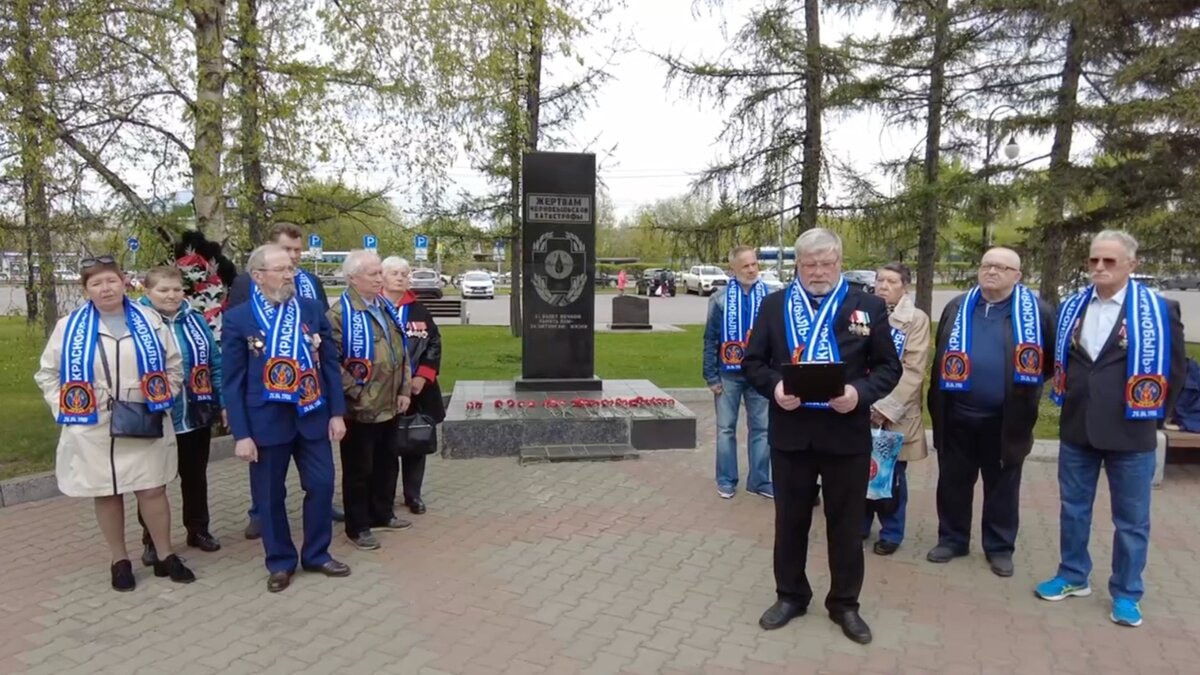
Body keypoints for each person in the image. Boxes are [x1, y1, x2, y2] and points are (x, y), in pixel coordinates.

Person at [743, 228, 901, 645]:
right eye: (809, 264)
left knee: (846, 526)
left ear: (839, 262)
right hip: (791, 436)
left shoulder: (866, 306)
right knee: (789, 522)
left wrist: (859, 393)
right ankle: (790, 595)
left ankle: (845, 604)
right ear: (798, 265)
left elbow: (889, 367)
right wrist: (775, 388)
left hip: (845, 436)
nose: (818, 272)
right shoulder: (776, 306)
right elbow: (753, 362)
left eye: (826, 263)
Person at [1035, 230, 1186, 628]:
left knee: (1132, 520)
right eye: (1093, 260)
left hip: (1131, 432)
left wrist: (1153, 416)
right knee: (1073, 509)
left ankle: (1127, 592)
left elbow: (1176, 370)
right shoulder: (1072, 307)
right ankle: (1072, 575)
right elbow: (1059, 360)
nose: (1099, 268)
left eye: (1110, 261)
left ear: (1131, 265)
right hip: (1078, 427)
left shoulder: (1159, 309)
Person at [35, 255, 194, 591]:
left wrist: (162, 393)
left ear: (124, 282)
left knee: (152, 488)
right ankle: (119, 560)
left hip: (144, 415)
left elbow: (174, 365)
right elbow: (48, 373)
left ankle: (165, 555)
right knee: (106, 492)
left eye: (111, 280)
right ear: (86, 290)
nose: (105, 288)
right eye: (96, 283)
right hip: (94, 425)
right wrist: (66, 404)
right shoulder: (69, 327)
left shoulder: (150, 321)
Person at [222, 244, 351, 592]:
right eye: (280, 269)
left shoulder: (309, 309)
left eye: (290, 268)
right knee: (269, 496)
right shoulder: (239, 318)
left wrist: (337, 412)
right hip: (265, 421)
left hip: (312, 415)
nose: (289, 274)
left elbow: (329, 366)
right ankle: (280, 562)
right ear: (258, 276)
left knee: (322, 485)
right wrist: (241, 435)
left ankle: (317, 553)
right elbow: (231, 382)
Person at [927, 248, 1055, 577]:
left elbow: (1048, 361)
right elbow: (941, 351)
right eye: (987, 265)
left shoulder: (1036, 312)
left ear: (1018, 275)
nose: (992, 272)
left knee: (1002, 485)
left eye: (1002, 267)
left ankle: (999, 546)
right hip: (956, 413)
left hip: (1005, 419)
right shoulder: (959, 306)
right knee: (953, 481)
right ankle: (952, 538)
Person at [136, 267, 225, 566]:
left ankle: (198, 530)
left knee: (195, 477)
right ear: (148, 292)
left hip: (195, 413)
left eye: (176, 289)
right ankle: (152, 539)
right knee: (153, 484)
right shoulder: (136, 323)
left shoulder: (196, 320)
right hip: (156, 416)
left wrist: (222, 402)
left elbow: (215, 363)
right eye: (163, 290)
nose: (171, 295)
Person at [327, 251, 413, 551]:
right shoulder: (339, 314)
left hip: (390, 402)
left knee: (387, 463)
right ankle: (358, 526)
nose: (380, 279)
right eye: (374, 274)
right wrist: (358, 392)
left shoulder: (384, 306)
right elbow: (331, 363)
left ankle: (382, 512)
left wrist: (404, 390)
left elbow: (401, 350)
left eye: (380, 273)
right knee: (359, 469)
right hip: (360, 408)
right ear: (353, 278)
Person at [861, 262, 930, 555]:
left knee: (892, 475)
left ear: (905, 286)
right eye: (879, 280)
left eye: (890, 281)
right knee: (860, 469)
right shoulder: (862, 313)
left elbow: (914, 370)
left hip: (896, 413)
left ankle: (891, 531)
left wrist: (886, 407)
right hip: (862, 406)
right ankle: (860, 524)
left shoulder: (915, 320)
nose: (883, 285)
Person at [703, 245, 772, 500]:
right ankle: (726, 479)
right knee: (725, 429)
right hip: (727, 374)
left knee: (763, 429)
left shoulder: (771, 295)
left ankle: (761, 481)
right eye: (746, 266)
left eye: (754, 264)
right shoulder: (719, 298)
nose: (752, 269)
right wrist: (711, 376)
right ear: (733, 268)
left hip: (761, 374)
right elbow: (710, 339)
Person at [382, 256, 446, 514]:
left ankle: (413, 495)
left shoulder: (418, 310)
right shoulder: (375, 308)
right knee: (386, 446)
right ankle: (384, 498)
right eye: (394, 273)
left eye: (404, 273)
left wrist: (422, 376)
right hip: (383, 392)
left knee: (414, 443)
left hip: (418, 391)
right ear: (382, 276)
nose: (400, 277)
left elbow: (434, 343)